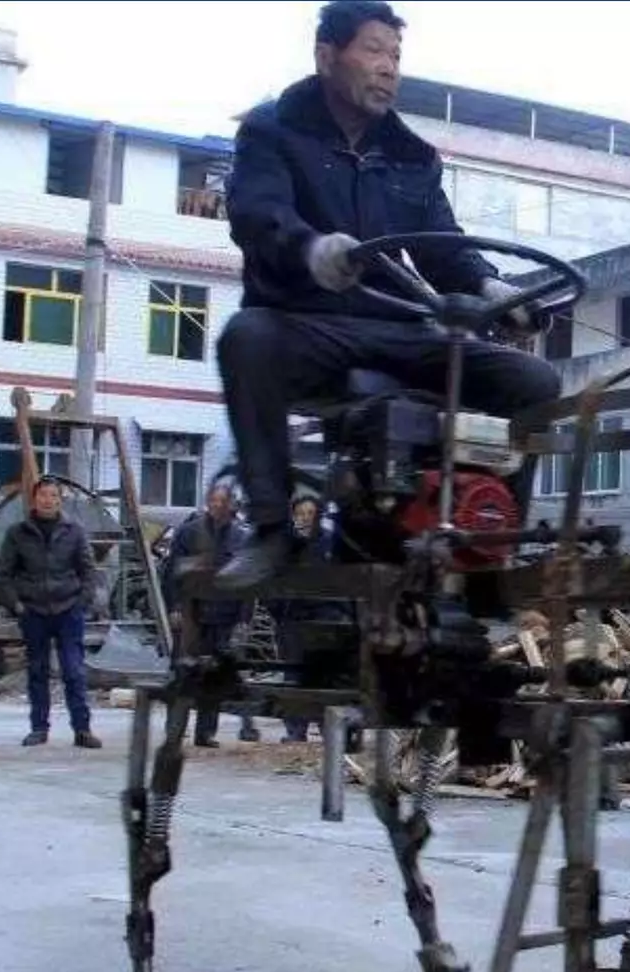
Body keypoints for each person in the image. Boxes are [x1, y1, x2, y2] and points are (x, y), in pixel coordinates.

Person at [215, 0, 561, 589]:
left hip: (395, 327)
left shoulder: (411, 156)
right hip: (306, 322)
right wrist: (309, 248)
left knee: (535, 382)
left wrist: (489, 283)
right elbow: (256, 212)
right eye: (373, 51)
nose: (388, 68)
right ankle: (272, 528)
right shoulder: (271, 131)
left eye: (395, 56)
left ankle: (490, 541)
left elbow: (441, 244)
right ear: (327, 56)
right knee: (245, 339)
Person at [0, 478, 103, 750]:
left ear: (60, 500)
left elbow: (88, 570)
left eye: (53, 495)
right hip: (33, 611)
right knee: (37, 671)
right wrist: (17, 605)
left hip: (68, 610)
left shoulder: (74, 531)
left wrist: (81, 602)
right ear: (34, 500)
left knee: (74, 671)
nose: (48, 500)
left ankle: (82, 729)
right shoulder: (17, 533)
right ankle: (38, 728)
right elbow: (4, 574)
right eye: (43, 495)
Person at [167, 482, 261, 747]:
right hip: (192, 616)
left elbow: (249, 584)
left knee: (215, 674)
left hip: (225, 615)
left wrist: (244, 619)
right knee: (184, 672)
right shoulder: (188, 532)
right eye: (215, 500)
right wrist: (174, 607)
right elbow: (172, 574)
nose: (219, 506)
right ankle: (175, 729)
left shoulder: (242, 539)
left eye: (225, 501)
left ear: (232, 506)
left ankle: (206, 732)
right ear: (208, 502)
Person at [274, 495, 336, 744]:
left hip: (324, 617)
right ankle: (295, 731)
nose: (306, 518)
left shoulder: (330, 543)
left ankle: (327, 729)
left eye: (311, 513)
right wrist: (278, 609)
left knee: (324, 674)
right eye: (301, 513)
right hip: (292, 618)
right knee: (293, 674)